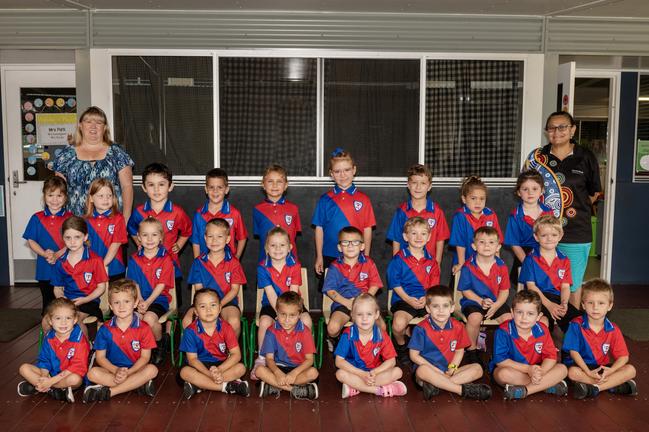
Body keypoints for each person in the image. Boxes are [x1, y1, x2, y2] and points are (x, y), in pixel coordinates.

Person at [533, 111, 602, 307]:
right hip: (542, 231)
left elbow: (594, 192)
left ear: (572, 130)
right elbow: (527, 188)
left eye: (562, 127)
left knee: (571, 283)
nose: (557, 132)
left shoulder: (585, 156)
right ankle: (543, 327)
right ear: (547, 132)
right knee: (541, 281)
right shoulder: (539, 158)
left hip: (575, 231)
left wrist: (572, 207)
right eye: (552, 128)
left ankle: (570, 327)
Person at [408, 285, 492, 400]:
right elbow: (413, 356)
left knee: (478, 369)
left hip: (448, 371)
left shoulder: (458, 326)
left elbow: (459, 351)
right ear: (428, 308)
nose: (441, 310)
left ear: (452, 308)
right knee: (422, 370)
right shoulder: (421, 328)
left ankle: (438, 386)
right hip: (428, 371)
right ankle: (462, 390)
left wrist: (452, 367)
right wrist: (435, 370)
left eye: (445, 306)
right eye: (435, 306)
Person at [127, 162, 192, 308]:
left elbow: (188, 230)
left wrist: (180, 244)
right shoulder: (139, 212)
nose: (156, 190)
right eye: (151, 185)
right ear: (144, 187)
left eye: (161, 184)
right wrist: (139, 243)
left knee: (173, 305)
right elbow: (131, 229)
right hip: (145, 266)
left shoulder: (177, 212)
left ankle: (170, 331)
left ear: (170, 186)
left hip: (171, 264)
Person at [83, 279, 158, 402]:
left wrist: (129, 372)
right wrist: (116, 370)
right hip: (112, 370)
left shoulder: (144, 328)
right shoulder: (105, 329)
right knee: (92, 373)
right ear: (111, 306)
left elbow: (145, 358)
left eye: (127, 301)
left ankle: (111, 392)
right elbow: (100, 358)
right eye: (117, 302)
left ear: (135, 303)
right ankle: (135, 385)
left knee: (152, 370)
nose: (121, 306)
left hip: (135, 369)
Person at [54, 106, 134, 219]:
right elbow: (58, 190)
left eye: (99, 122)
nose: (93, 126)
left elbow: (127, 187)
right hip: (75, 224)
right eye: (88, 121)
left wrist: (126, 219)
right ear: (80, 126)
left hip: (111, 222)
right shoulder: (66, 155)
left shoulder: (117, 153)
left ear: (105, 127)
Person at [312, 148, 376, 292]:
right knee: (329, 292)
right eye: (337, 171)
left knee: (357, 290)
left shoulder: (363, 199)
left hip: (356, 255)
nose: (343, 175)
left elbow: (367, 229)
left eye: (346, 170)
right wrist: (319, 256)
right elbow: (319, 229)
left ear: (354, 170)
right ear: (331, 174)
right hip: (330, 255)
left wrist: (365, 256)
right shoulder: (325, 199)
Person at [562, 278, 637, 399]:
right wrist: (587, 371)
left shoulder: (613, 329)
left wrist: (611, 371)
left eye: (601, 303)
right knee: (572, 373)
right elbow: (573, 352)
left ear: (609, 306)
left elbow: (623, 357)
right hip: (581, 367)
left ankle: (595, 388)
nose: (595, 307)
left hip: (602, 368)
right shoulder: (576, 325)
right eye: (590, 303)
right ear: (583, 305)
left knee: (631, 370)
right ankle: (613, 385)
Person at [252, 227, 311, 380]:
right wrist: (280, 314)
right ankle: (262, 358)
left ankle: (302, 357)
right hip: (272, 305)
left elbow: (293, 293)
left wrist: (290, 314)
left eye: (282, 245)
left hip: (293, 303)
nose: (277, 249)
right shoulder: (262, 267)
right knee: (265, 321)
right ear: (266, 248)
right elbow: (270, 293)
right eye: (273, 245)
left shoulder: (294, 265)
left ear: (290, 247)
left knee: (306, 320)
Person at [490, 290, 568, 400]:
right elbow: (501, 361)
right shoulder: (503, 331)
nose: (524, 317)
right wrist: (528, 370)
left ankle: (525, 390)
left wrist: (540, 373)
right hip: (514, 371)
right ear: (512, 313)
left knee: (563, 369)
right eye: (519, 312)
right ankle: (546, 385)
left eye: (530, 313)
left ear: (538, 316)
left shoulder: (542, 330)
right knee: (502, 374)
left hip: (535, 371)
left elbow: (551, 357)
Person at [387, 216, 440, 365]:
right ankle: (402, 346)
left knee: (437, 323)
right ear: (405, 236)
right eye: (414, 233)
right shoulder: (398, 259)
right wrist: (408, 299)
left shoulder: (432, 261)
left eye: (423, 234)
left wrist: (426, 298)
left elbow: (433, 286)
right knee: (398, 325)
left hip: (426, 300)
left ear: (429, 237)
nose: (418, 237)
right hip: (403, 300)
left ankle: (426, 351)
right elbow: (395, 285)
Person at [179, 289, 250, 399]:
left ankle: (199, 385)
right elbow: (193, 360)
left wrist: (219, 370)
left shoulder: (226, 327)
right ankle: (228, 386)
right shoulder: (190, 331)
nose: (208, 310)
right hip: (200, 365)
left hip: (221, 365)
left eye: (213, 305)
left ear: (220, 308)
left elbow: (236, 355)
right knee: (184, 372)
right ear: (196, 312)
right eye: (203, 306)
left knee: (241, 368)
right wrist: (209, 374)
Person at [18, 298, 90, 403]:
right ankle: (54, 391)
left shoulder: (79, 339)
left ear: (75, 320)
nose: (63, 322)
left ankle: (41, 387)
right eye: (58, 318)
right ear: (51, 321)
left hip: (69, 376)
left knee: (75, 379)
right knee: (23, 368)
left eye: (68, 318)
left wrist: (50, 381)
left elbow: (77, 366)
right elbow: (44, 360)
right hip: (51, 374)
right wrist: (43, 377)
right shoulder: (49, 337)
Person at [458, 226, 512, 365]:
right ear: (474, 246)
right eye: (482, 242)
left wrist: (497, 305)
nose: (487, 246)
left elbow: (504, 291)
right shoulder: (468, 266)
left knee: (508, 319)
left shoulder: (501, 266)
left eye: (491, 242)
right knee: (475, 318)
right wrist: (480, 300)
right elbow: (465, 290)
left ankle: (502, 352)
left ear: (498, 247)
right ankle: (471, 350)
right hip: (473, 301)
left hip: (496, 302)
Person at [334, 294, 406, 398]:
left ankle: (356, 387)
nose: (364, 319)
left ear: (376, 315)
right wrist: (361, 374)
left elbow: (391, 361)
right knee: (340, 374)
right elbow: (339, 361)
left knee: (398, 372)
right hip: (355, 372)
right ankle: (378, 390)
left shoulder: (381, 335)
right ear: (352, 315)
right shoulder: (348, 334)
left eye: (369, 314)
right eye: (359, 314)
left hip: (374, 373)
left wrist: (375, 372)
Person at [184, 218, 247, 337]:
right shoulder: (198, 262)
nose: (214, 241)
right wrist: (209, 305)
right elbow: (199, 289)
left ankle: (230, 351)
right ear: (205, 238)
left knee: (234, 321)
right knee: (187, 321)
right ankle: (197, 352)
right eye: (210, 236)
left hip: (226, 302)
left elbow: (234, 290)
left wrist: (219, 305)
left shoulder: (234, 262)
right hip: (203, 302)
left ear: (227, 239)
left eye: (219, 237)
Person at [126, 217, 175, 365]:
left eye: (154, 235)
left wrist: (147, 302)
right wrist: (140, 300)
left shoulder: (165, 259)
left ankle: (158, 344)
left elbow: (161, 285)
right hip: (139, 299)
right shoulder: (134, 259)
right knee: (130, 319)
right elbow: (134, 283)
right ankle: (135, 350)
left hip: (158, 300)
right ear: (139, 238)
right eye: (145, 235)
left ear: (160, 237)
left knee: (148, 319)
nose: (149, 239)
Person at [519, 215, 580, 333]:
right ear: (536, 237)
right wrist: (549, 305)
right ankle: (545, 348)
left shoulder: (564, 259)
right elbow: (531, 287)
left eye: (553, 235)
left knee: (578, 322)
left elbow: (565, 286)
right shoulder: (531, 259)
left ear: (560, 236)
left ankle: (570, 351)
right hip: (535, 298)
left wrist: (564, 304)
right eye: (544, 235)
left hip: (557, 299)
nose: (549, 239)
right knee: (544, 322)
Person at [48, 216, 108, 335]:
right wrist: (62, 299)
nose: (72, 241)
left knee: (75, 323)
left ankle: (85, 351)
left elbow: (101, 288)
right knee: (46, 322)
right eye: (68, 238)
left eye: (77, 237)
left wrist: (84, 299)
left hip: (89, 302)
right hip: (67, 302)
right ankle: (52, 350)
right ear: (63, 238)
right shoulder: (60, 262)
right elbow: (57, 288)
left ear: (85, 237)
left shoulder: (95, 260)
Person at [324, 226, 384, 346]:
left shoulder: (369, 263)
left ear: (362, 246)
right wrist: (347, 303)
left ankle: (373, 349)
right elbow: (330, 291)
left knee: (381, 327)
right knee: (332, 328)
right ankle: (337, 340)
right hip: (344, 303)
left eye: (355, 242)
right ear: (340, 247)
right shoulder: (335, 266)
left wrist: (362, 301)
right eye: (345, 242)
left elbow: (375, 284)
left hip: (365, 303)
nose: (350, 246)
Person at [256, 291, 319, 400]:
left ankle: (274, 386)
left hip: (298, 369)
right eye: (282, 314)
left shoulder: (305, 331)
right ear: (277, 312)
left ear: (300, 315)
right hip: (278, 367)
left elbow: (309, 360)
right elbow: (269, 359)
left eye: (292, 315)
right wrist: (278, 373)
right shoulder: (271, 331)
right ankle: (296, 390)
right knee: (259, 371)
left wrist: (294, 373)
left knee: (313, 373)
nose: (286, 320)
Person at [23, 177, 72, 314]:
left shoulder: (70, 218)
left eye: (59, 195)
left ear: (65, 197)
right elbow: (31, 240)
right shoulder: (36, 218)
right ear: (44, 196)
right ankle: (47, 333)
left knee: (65, 301)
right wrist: (45, 254)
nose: (55, 200)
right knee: (48, 302)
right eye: (50, 195)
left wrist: (57, 254)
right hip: (45, 268)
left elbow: (74, 243)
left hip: (65, 266)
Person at [386, 164, 449, 266]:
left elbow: (440, 239)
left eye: (423, 183)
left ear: (429, 187)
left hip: (429, 265)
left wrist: (437, 263)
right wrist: (395, 263)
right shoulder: (401, 211)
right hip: (405, 265)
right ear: (408, 185)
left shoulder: (437, 212)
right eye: (414, 182)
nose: (418, 187)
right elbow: (396, 239)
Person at [504, 169, 554, 285]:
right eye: (525, 189)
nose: (530, 193)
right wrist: (528, 264)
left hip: (546, 254)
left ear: (542, 190)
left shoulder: (548, 212)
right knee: (526, 294)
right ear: (518, 192)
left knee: (548, 289)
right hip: (524, 256)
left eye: (535, 189)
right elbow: (514, 244)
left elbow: (554, 237)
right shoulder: (515, 216)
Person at [450, 176, 503, 275]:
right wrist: (461, 263)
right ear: (464, 199)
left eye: (482, 199)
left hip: (487, 264)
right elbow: (460, 243)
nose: (478, 202)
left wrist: (497, 261)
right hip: (465, 263)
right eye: (473, 198)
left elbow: (496, 241)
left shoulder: (491, 215)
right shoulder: (460, 216)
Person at [191, 168, 247, 259]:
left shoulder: (234, 213)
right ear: (206, 189)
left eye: (220, 187)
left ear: (226, 189)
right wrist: (197, 262)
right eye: (211, 187)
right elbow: (195, 241)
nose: (215, 191)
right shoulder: (199, 214)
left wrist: (237, 257)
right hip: (205, 264)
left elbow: (242, 238)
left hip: (228, 265)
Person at [253, 164, 302, 262]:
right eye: (270, 181)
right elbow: (260, 235)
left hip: (290, 261)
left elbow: (294, 235)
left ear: (286, 185)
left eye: (279, 181)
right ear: (263, 184)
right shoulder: (257, 209)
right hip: (266, 261)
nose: (275, 185)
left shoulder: (293, 208)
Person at [84, 178, 128, 281]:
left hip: (115, 269)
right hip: (92, 268)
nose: (106, 199)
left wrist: (102, 265)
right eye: (101, 196)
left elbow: (115, 244)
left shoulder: (118, 218)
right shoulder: (86, 220)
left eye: (109, 196)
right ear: (91, 198)